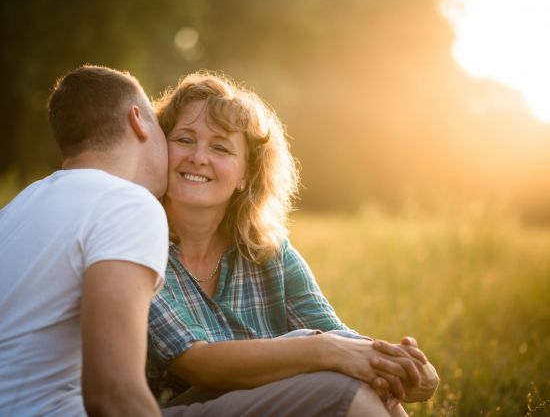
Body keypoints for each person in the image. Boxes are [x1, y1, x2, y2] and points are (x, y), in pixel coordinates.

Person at [147, 71, 439, 416]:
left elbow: (340, 339)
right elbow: (196, 362)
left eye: (220, 147)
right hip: (166, 411)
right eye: (184, 139)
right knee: (341, 390)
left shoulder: (268, 253)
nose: (198, 156)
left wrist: (408, 369)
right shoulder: (139, 244)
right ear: (160, 151)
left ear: (245, 175)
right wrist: (321, 351)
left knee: (356, 387)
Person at [0, 65, 170, 416]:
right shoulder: (128, 204)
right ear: (137, 120)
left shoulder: (16, 209)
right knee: (313, 391)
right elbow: (113, 394)